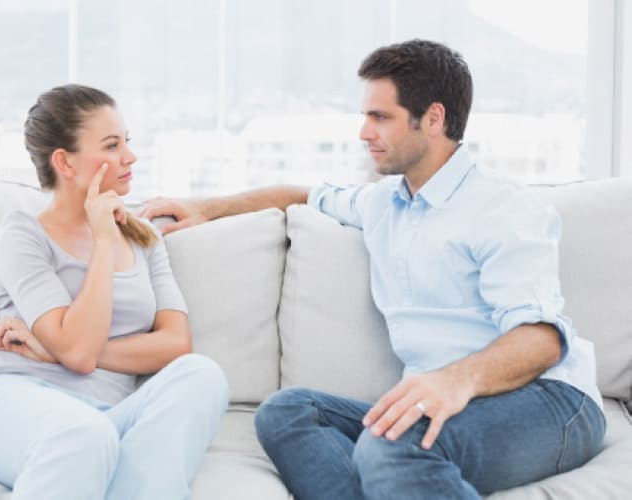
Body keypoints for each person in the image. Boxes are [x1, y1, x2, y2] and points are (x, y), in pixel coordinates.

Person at [140, 40, 605, 499]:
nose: (364, 132)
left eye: (381, 117)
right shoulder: (384, 203)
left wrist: (451, 382)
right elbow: (303, 195)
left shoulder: (503, 207)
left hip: (548, 400)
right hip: (436, 407)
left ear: (434, 119)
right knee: (287, 412)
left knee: (388, 446)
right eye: (365, 116)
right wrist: (208, 209)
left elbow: (540, 339)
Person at [0, 84, 228, 500]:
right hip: (13, 402)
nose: (130, 157)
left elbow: (175, 343)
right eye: (112, 145)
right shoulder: (23, 233)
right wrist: (102, 239)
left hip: (105, 415)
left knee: (202, 375)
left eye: (127, 143)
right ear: (64, 161)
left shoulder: (145, 238)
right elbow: (78, 353)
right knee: (85, 435)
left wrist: (52, 347)